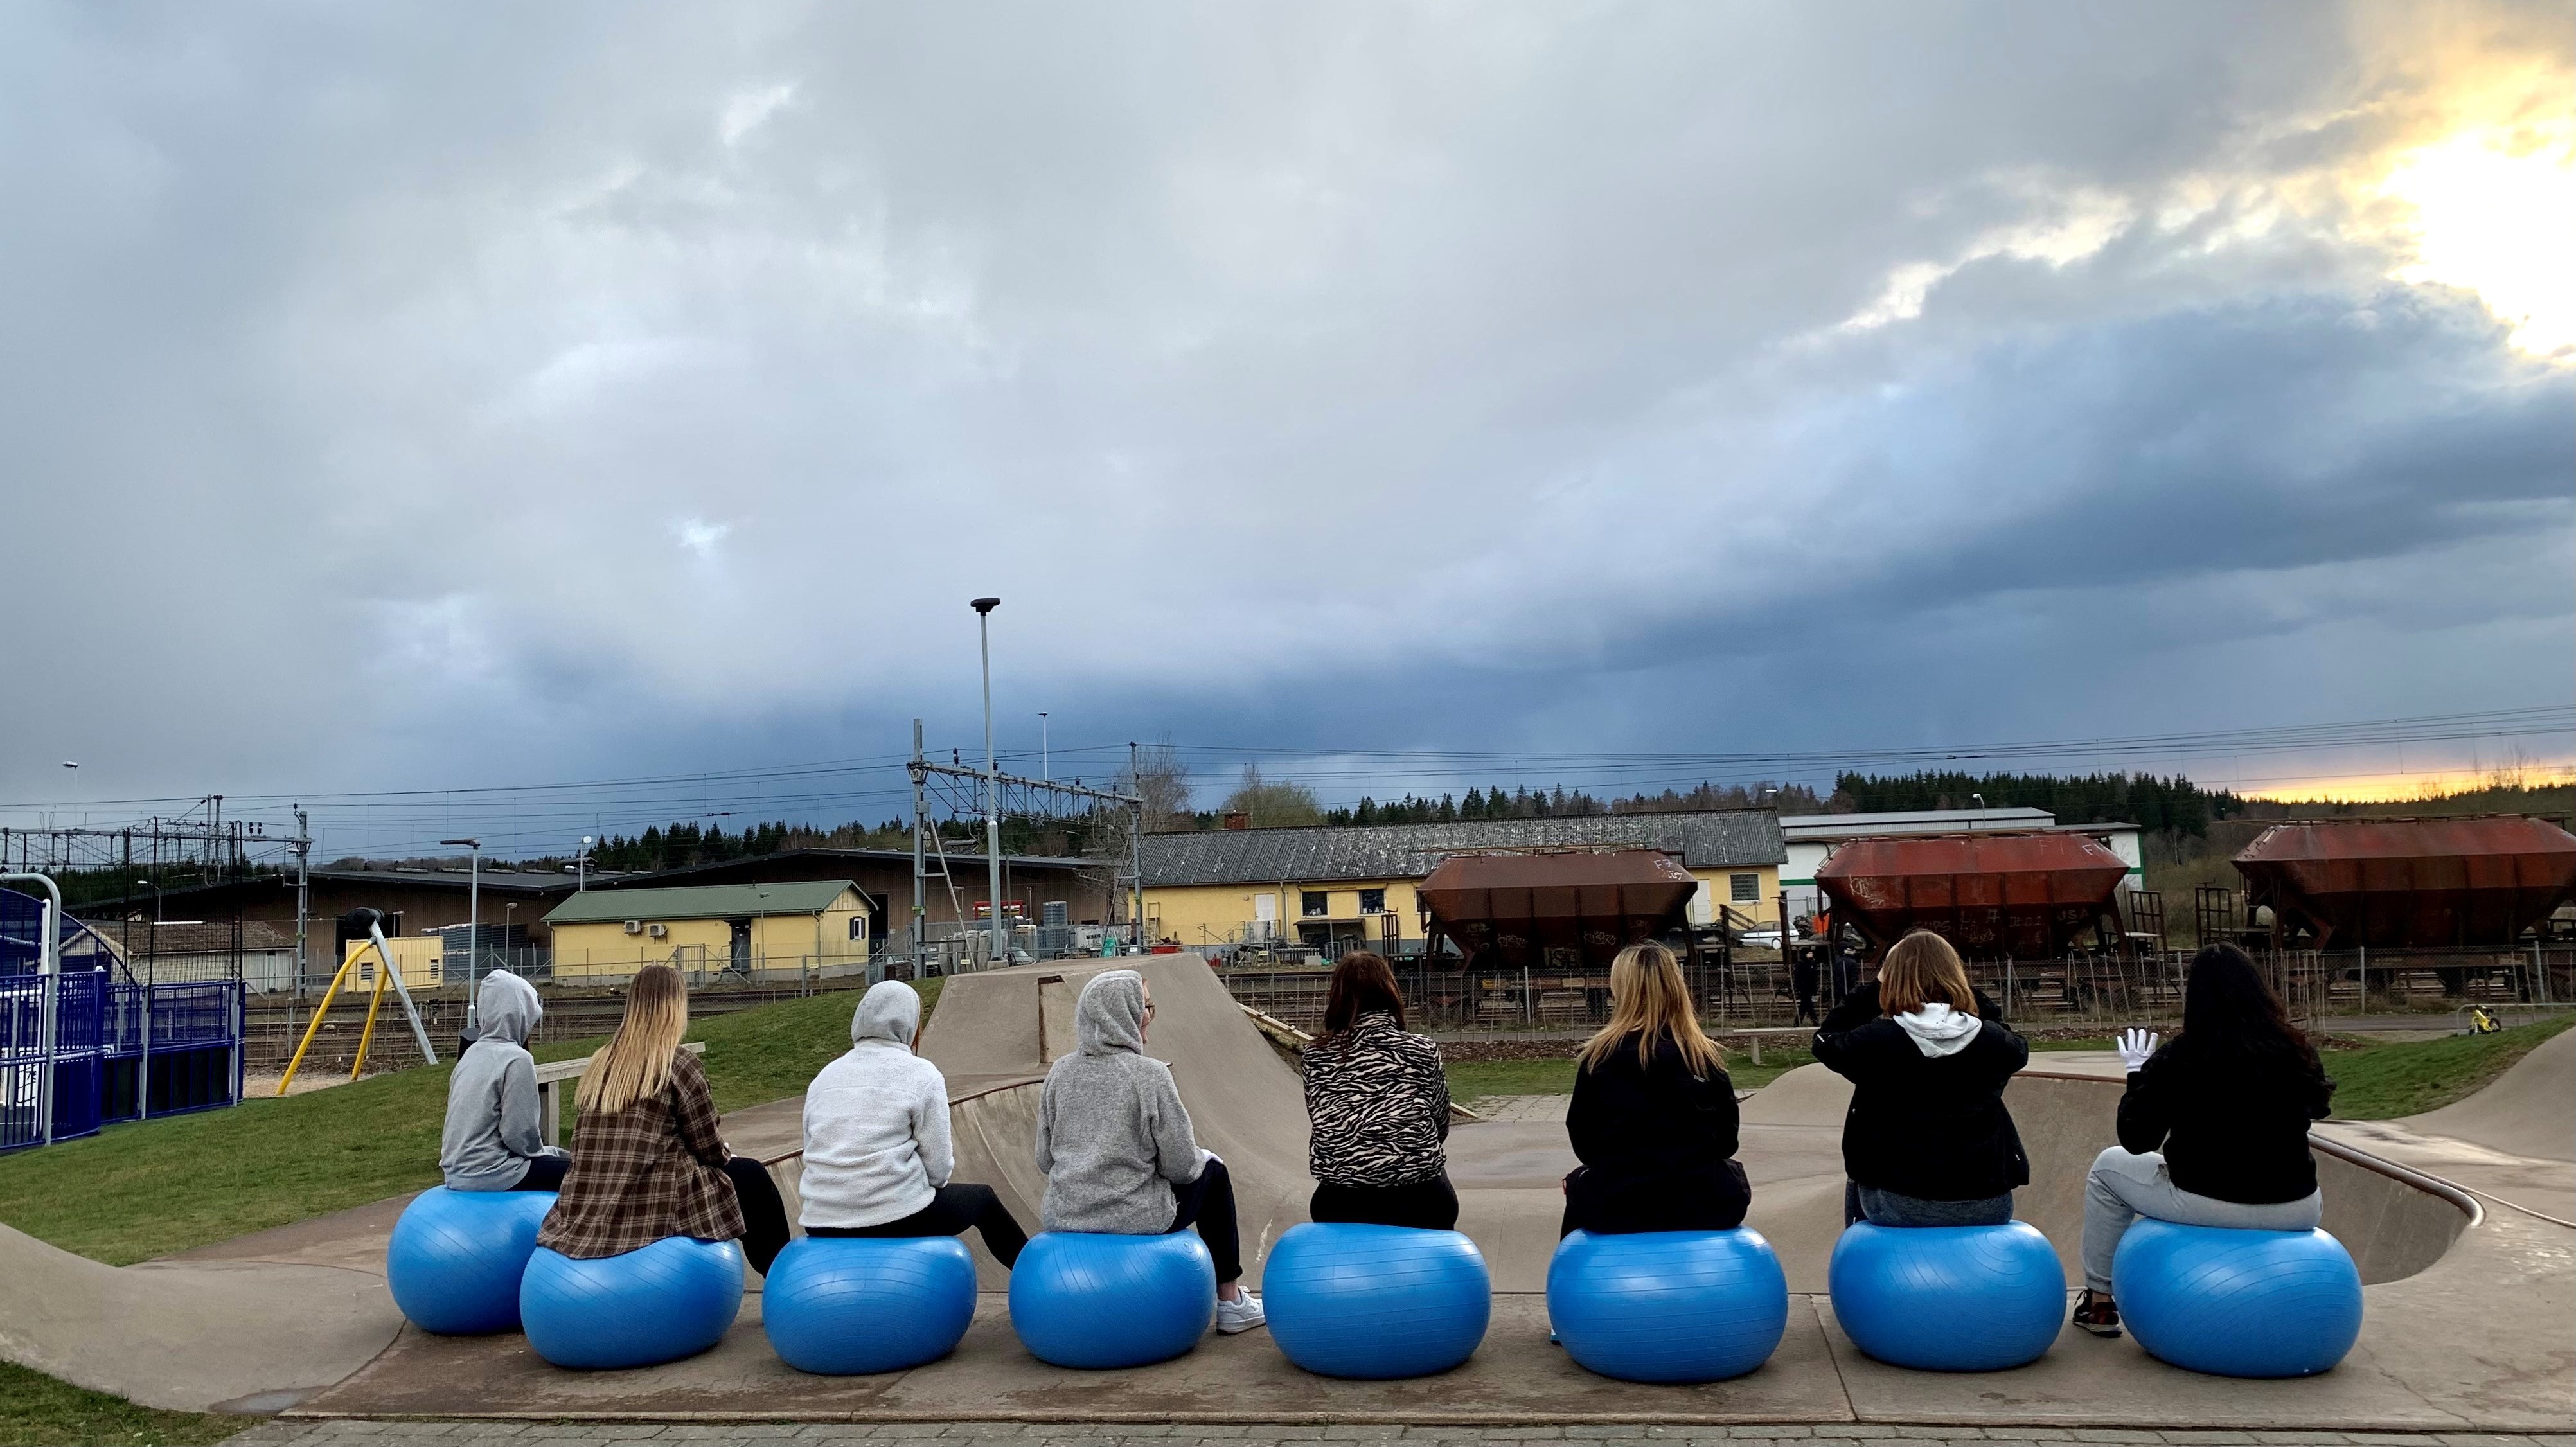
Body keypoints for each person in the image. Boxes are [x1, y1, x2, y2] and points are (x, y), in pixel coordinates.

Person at [2072, 945, 2334, 1338]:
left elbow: (2137, 1140)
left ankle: (2100, 1302)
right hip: (2297, 1206)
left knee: (2107, 1167)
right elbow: (2319, 1107)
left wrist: (2138, 1075)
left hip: (2207, 1201)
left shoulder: (2182, 1056)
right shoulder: (2294, 1050)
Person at [1034, 969, 1266, 1334]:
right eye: (1145, 1006)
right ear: (1123, 1013)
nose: (1149, 1015)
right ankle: (1231, 1301)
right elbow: (1182, 1168)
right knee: (1214, 1173)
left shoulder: (1060, 1073)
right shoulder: (1151, 1075)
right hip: (1134, 1217)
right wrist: (1201, 1158)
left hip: (1066, 1213)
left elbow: (1044, 1160)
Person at [535, 963, 791, 1274]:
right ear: (676, 1007)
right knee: (752, 1178)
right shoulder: (677, 1062)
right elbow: (708, 1147)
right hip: (650, 1198)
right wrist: (727, 1155)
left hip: (588, 1199)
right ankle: (780, 1277)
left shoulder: (601, 1061)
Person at [799, 979, 1029, 1265]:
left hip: (821, 1219)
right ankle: (1032, 1274)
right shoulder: (922, 1074)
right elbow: (939, 1168)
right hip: (892, 1216)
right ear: (912, 1025)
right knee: (983, 1200)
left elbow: (811, 1146)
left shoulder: (824, 1077)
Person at [1811, 929, 2029, 1227]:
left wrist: (1878, 986)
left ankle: (1865, 1249)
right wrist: (1955, 987)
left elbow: (1824, 1040)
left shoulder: (1877, 1041)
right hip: (1989, 1200)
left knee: (1861, 1175)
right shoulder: (1993, 1041)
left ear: (1892, 978)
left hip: (1902, 1201)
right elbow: (2011, 1039)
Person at [1560, 941, 1750, 1237]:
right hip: (1705, 1203)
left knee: (1578, 1186)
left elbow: (1584, 1143)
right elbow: (1727, 1142)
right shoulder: (1703, 1056)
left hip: (1618, 1205)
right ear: (1677, 988)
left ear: (1620, 990)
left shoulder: (1599, 1058)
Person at [1302, 952, 1456, 1230]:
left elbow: (1320, 1117)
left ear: (1337, 995)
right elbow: (1440, 1122)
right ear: (1390, 991)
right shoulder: (1422, 1049)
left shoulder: (1316, 1055)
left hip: (1341, 1200)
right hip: (1420, 1197)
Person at [440, 969, 572, 1191]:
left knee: (558, 1156)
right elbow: (519, 1135)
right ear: (521, 1014)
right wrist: (542, 1152)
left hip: (456, 1172)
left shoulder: (470, 1055)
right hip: (494, 1172)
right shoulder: (517, 1059)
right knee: (584, 1172)